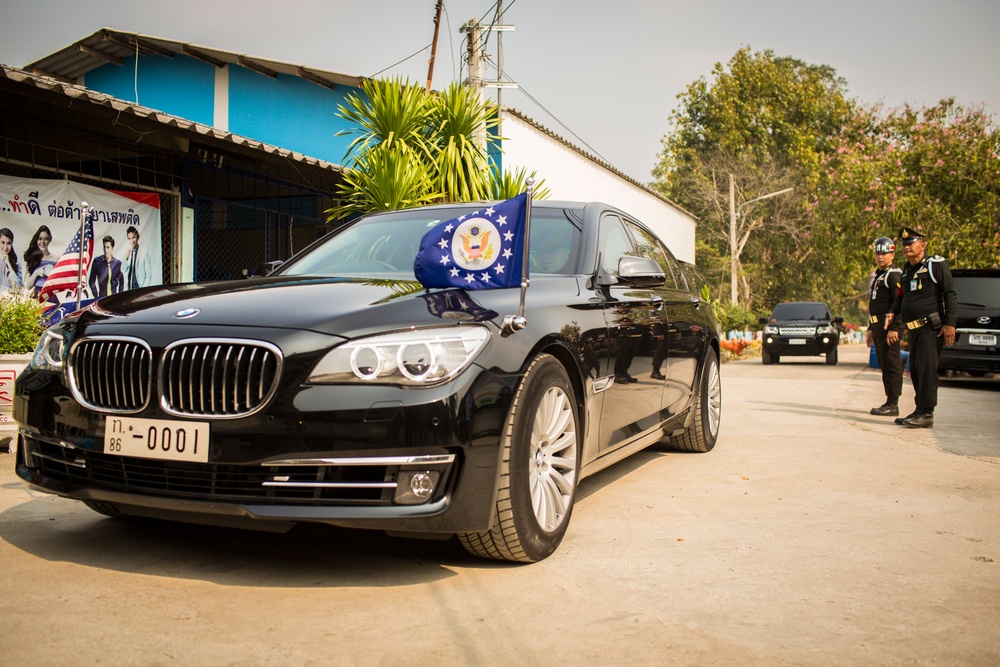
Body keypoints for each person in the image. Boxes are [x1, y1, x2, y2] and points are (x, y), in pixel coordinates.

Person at [885, 226, 957, 428]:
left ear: (923, 244)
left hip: (930, 328)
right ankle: (919, 409)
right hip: (914, 329)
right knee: (915, 371)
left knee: (926, 371)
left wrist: (950, 323)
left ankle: (927, 412)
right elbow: (901, 297)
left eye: (911, 243)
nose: (907, 247)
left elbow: (950, 293)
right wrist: (892, 312)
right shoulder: (907, 270)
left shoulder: (935, 265)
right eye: (904, 245)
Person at [867, 237, 904, 416]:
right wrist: (869, 328)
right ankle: (889, 400)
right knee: (884, 363)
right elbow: (876, 304)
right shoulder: (881, 275)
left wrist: (895, 328)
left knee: (891, 364)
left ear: (892, 254)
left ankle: (893, 403)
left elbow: (899, 303)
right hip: (878, 327)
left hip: (888, 327)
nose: (881, 257)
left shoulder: (893, 275)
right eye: (878, 253)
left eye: (884, 253)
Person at [23, 225, 56, 298]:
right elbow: (28, 286)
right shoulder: (32, 259)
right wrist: (36, 273)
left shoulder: (56, 259)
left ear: (50, 239)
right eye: (40, 239)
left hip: (50, 295)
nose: (42, 242)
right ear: (36, 240)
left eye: (46, 239)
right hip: (36, 295)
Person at [121, 225, 152, 289]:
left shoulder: (144, 253)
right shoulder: (129, 253)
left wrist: (144, 290)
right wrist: (126, 259)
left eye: (133, 238)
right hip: (129, 289)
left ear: (138, 237)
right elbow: (123, 270)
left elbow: (148, 275)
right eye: (129, 238)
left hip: (139, 289)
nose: (132, 241)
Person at [0, 228, 23, 292]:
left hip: (10, 300)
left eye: (8, 243)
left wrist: (9, 264)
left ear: (12, 244)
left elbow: (18, 288)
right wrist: (8, 290)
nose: (5, 247)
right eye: (3, 242)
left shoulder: (16, 263)